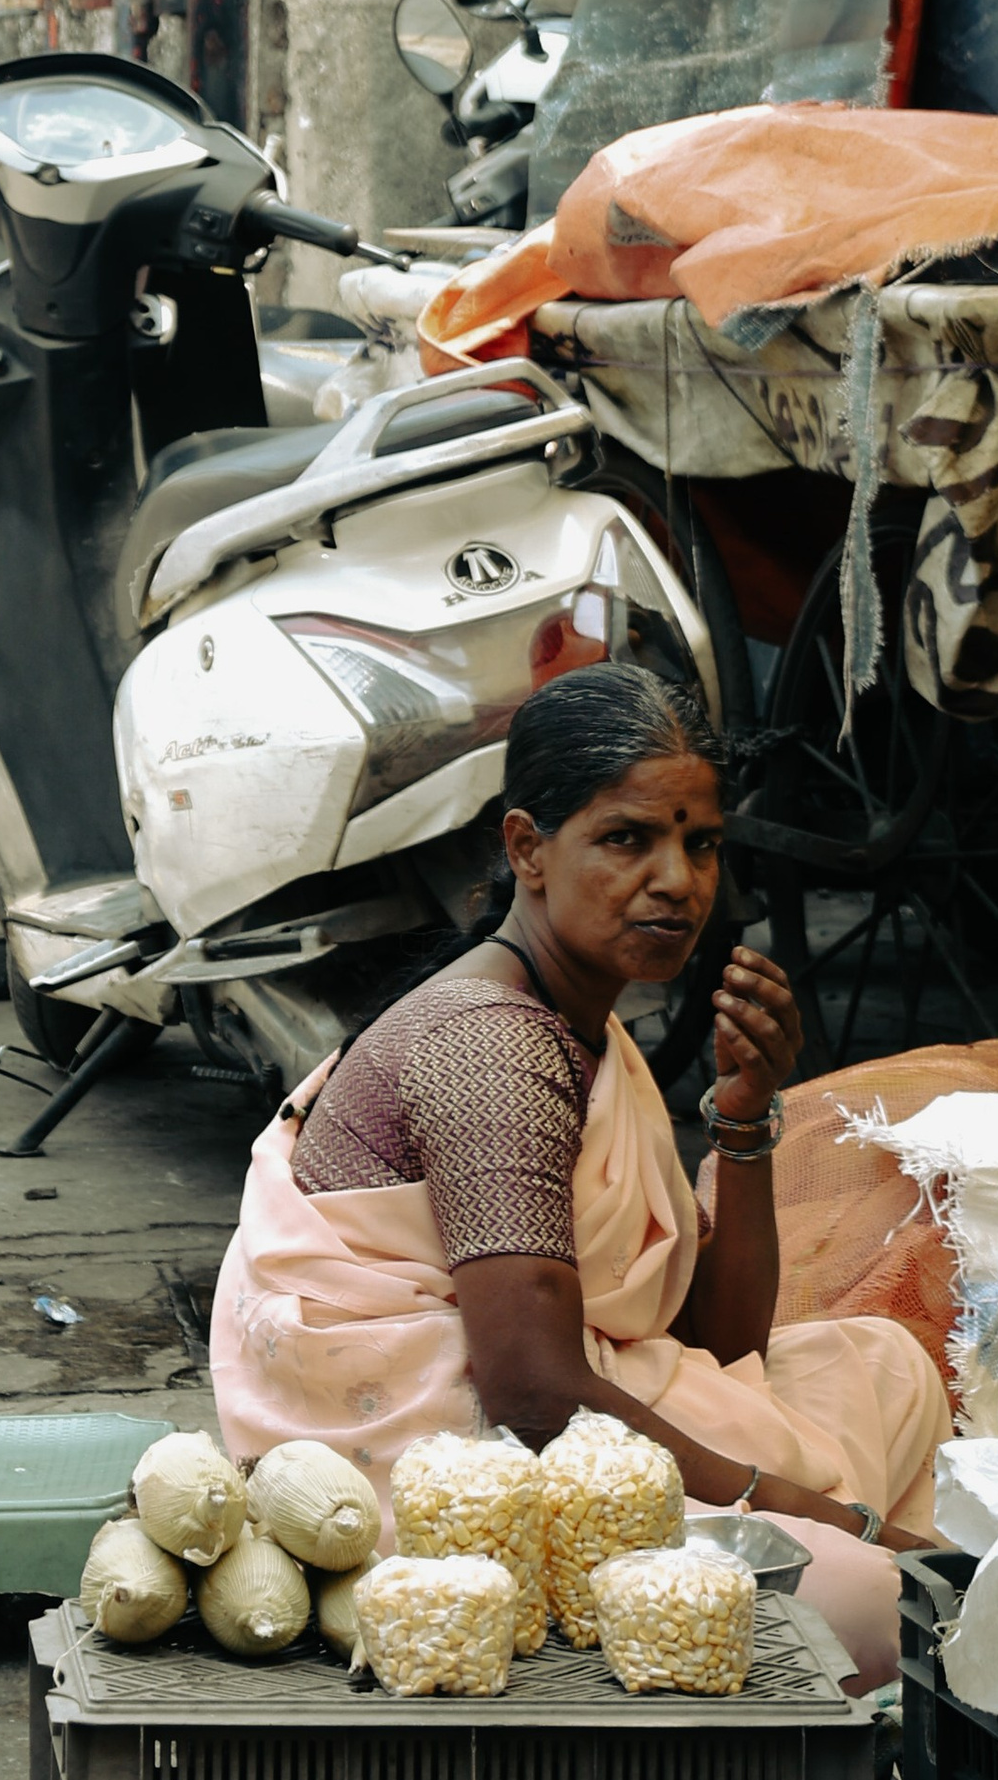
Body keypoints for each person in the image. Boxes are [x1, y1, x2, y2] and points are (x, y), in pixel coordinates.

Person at [210, 657, 949, 1689]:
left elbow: (718, 1339)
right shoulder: (492, 1049)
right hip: (442, 1467)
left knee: (880, 1365)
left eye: (701, 845)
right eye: (626, 839)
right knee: (868, 1598)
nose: (679, 882)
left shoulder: (586, 1026)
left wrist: (741, 1122)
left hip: (557, 1398)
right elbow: (536, 1395)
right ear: (527, 848)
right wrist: (803, 1507)